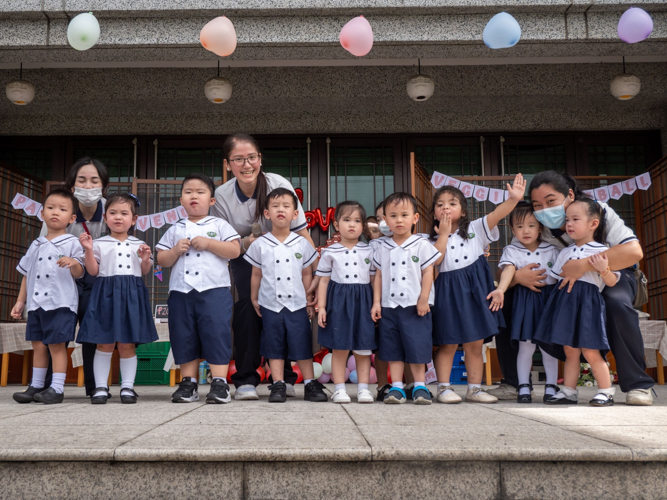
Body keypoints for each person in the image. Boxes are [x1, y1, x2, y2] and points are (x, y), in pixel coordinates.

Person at [489, 171, 654, 405]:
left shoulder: (598, 211)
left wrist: (583, 266)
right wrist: (517, 277)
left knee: (616, 303)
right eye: (537, 205)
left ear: (569, 195)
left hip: (610, 275)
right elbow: (509, 263)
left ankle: (638, 384)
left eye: (550, 201)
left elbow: (633, 252)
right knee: (511, 300)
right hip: (562, 284)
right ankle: (514, 382)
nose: (544, 209)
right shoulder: (536, 224)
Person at [211, 133, 316, 401]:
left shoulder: (278, 184)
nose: (247, 165)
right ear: (228, 164)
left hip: (287, 257)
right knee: (248, 308)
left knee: (290, 312)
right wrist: (247, 242)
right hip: (247, 258)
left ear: (260, 159)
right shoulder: (221, 196)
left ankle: (285, 378)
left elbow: (301, 231)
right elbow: (224, 242)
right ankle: (246, 377)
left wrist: (315, 273)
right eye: (238, 159)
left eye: (252, 158)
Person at [430, 174, 525, 404]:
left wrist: (513, 200)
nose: (445, 208)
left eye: (452, 204)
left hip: (475, 292)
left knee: (475, 342)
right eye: (440, 205)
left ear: (463, 211)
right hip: (447, 292)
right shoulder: (428, 240)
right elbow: (434, 261)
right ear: (433, 212)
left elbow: (496, 214)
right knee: (448, 341)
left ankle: (474, 388)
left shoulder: (475, 229)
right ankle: (443, 388)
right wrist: (442, 234)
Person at [156, 173, 241, 404]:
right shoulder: (175, 228)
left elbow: (235, 251)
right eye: (188, 192)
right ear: (181, 200)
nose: (194, 196)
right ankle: (189, 384)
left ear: (211, 201)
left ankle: (220, 383)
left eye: (200, 192)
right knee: (184, 335)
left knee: (216, 333)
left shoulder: (220, 225)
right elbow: (162, 259)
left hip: (214, 290)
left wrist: (209, 243)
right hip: (181, 292)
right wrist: (174, 251)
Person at [244, 187, 328, 403]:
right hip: (270, 304)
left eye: (286, 206)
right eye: (275, 206)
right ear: (266, 213)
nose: (280, 210)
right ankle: (278, 384)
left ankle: (310, 383)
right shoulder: (260, 244)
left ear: (295, 213)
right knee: (274, 345)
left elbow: (307, 272)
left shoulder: (302, 243)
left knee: (301, 344)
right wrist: (254, 298)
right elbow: (256, 274)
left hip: (297, 305)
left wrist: (310, 300)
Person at [535, 197, 619, 407]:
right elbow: (555, 279)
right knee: (569, 350)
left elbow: (611, 282)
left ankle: (606, 391)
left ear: (593, 223)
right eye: (567, 220)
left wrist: (603, 269)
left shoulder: (602, 251)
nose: (569, 224)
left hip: (589, 302)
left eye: (575, 219)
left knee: (590, 349)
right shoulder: (564, 252)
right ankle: (569, 391)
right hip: (565, 302)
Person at [77, 193, 159, 404]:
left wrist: (145, 259)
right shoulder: (98, 243)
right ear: (105, 218)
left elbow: (145, 270)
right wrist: (87, 250)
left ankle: (127, 388)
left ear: (134, 219)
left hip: (132, 294)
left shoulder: (139, 243)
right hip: (105, 293)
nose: (118, 217)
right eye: (113, 213)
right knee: (103, 343)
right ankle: (101, 388)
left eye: (124, 213)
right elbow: (93, 271)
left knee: (127, 344)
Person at [40, 157, 109, 397]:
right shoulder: (60, 210)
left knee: (91, 330)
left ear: (103, 185)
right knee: (56, 331)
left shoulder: (111, 210)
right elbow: (44, 249)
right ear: (72, 185)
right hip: (63, 276)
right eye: (82, 180)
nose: (88, 186)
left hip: (97, 280)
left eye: (94, 180)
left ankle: (94, 388)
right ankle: (49, 386)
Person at [12, 189, 84, 404]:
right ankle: (36, 385)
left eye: (62, 209)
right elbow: (27, 275)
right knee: (38, 345)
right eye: (51, 208)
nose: (55, 212)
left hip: (61, 303)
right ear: (42, 213)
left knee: (56, 345)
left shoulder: (72, 243)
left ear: (71, 218)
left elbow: (80, 273)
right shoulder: (36, 244)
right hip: (36, 304)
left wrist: (73, 263)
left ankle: (57, 388)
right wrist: (20, 301)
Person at [371, 192, 441, 405]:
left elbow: (428, 273)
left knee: (417, 345)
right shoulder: (382, 247)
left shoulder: (421, 244)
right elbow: (379, 276)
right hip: (389, 307)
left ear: (415, 218)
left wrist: (424, 298)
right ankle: (397, 388)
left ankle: (420, 386)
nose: (398, 220)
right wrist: (376, 302)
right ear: (385, 220)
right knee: (393, 348)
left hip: (415, 306)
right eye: (392, 216)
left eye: (404, 215)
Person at [487, 202, 560, 403]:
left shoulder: (552, 250)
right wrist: (501, 289)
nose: (525, 231)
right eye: (519, 227)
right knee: (525, 346)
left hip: (548, 301)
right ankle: (523, 387)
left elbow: (562, 274)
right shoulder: (512, 250)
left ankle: (551, 387)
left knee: (548, 347)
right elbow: (509, 269)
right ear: (512, 230)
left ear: (540, 228)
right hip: (525, 302)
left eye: (531, 225)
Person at [316, 201, 377, 404]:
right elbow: (323, 281)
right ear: (336, 224)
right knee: (339, 347)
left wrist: (376, 303)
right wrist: (322, 307)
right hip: (339, 302)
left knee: (363, 347)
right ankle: (339, 389)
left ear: (363, 226)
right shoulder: (329, 252)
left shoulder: (369, 251)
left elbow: (374, 280)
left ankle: (363, 389)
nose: (352, 225)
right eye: (346, 220)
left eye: (357, 221)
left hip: (363, 301)